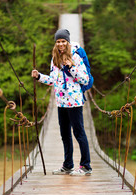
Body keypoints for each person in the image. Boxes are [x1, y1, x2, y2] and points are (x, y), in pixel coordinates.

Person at [31, 29, 92, 176]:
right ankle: (68, 165)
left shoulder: (76, 57)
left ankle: (86, 166)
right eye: (58, 41)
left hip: (74, 102)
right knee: (65, 134)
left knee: (79, 133)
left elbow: (85, 79)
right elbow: (53, 80)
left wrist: (71, 67)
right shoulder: (54, 59)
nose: (61, 44)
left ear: (68, 42)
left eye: (63, 41)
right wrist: (39, 76)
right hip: (61, 102)